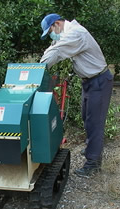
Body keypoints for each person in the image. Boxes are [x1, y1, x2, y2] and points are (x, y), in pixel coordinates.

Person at [39, 13, 113, 178]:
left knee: (95, 123)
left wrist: (38, 69)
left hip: (99, 81)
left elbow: (57, 51)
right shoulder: (67, 34)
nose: (52, 35)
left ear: (57, 24)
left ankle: (92, 164)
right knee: (86, 117)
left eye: (50, 31)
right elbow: (55, 45)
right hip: (89, 82)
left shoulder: (76, 33)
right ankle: (91, 148)